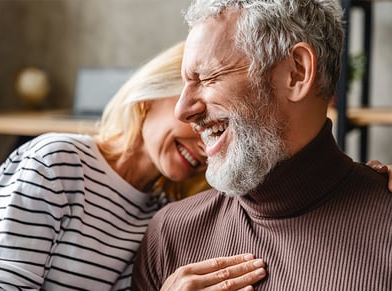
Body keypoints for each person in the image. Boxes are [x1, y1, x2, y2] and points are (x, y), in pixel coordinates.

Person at [0, 41, 268, 291]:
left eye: (219, 131)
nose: (206, 145)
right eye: (199, 120)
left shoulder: (162, 215)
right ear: (152, 96)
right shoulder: (56, 163)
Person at [132, 1, 392, 290]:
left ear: (296, 73)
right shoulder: (169, 234)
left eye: (206, 78)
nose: (183, 110)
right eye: (185, 84)